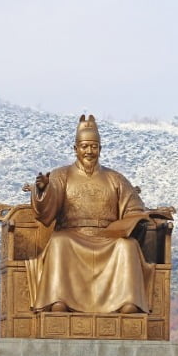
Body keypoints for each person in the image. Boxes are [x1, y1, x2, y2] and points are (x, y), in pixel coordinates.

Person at [22, 114, 158, 314]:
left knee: (128, 246)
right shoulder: (61, 175)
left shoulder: (115, 178)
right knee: (59, 242)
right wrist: (43, 190)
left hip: (107, 236)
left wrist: (143, 216)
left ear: (100, 149)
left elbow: (133, 208)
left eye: (94, 146)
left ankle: (127, 302)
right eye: (84, 146)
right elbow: (45, 212)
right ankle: (59, 300)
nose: (89, 151)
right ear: (75, 149)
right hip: (72, 234)